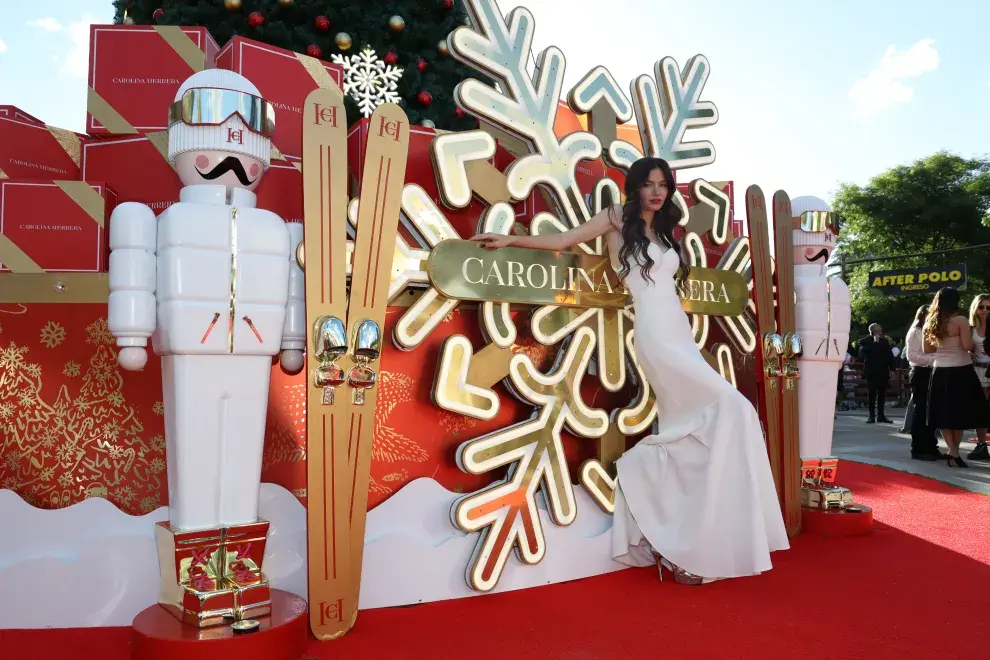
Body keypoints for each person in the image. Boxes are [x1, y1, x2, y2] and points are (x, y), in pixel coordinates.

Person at [471, 157, 788, 585]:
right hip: (656, 336)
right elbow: (564, 239)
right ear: (634, 187)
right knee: (732, 409)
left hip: (680, 334)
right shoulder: (616, 218)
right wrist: (509, 240)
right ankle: (649, 489)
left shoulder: (665, 230)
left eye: (663, 185)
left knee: (704, 430)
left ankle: (684, 546)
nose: (657, 192)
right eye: (648, 184)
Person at [923, 287, 990, 467]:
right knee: (959, 413)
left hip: (940, 371)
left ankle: (952, 451)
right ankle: (954, 451)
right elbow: (968, 345)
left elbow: (927, 350)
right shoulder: (960, 320)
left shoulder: (930, 322)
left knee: (944, 413)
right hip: (961, 370)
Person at [905, 305, 943, 460]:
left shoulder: (933, 332)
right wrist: (933, 359)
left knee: (932, 411)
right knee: (920, 411)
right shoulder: (915, 332)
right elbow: (912, 356)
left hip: (932, 371)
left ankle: (931, 446)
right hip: (920, 372)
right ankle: (918, 449)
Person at [966, 294, 990, 460]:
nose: (985, 311)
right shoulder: (969, 328)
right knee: (979, 408)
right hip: (977, 371)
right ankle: (982, 445)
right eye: (981, 307)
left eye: (988, 307)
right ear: (975, 308)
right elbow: (962, 347)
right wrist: (968, 353)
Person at [857, 323, 894, 424]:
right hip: (872, 372)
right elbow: (862, 353)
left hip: (883, 371)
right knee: (872, 394)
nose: (880, 333)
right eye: (878, 331)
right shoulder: (864, 341)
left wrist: (893, 369)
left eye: (881, 331)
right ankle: (871, 416)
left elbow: (889, 355)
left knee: (882, 394)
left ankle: (881, 415)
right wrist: (874, 343)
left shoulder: (885, 341)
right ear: (873, 332)